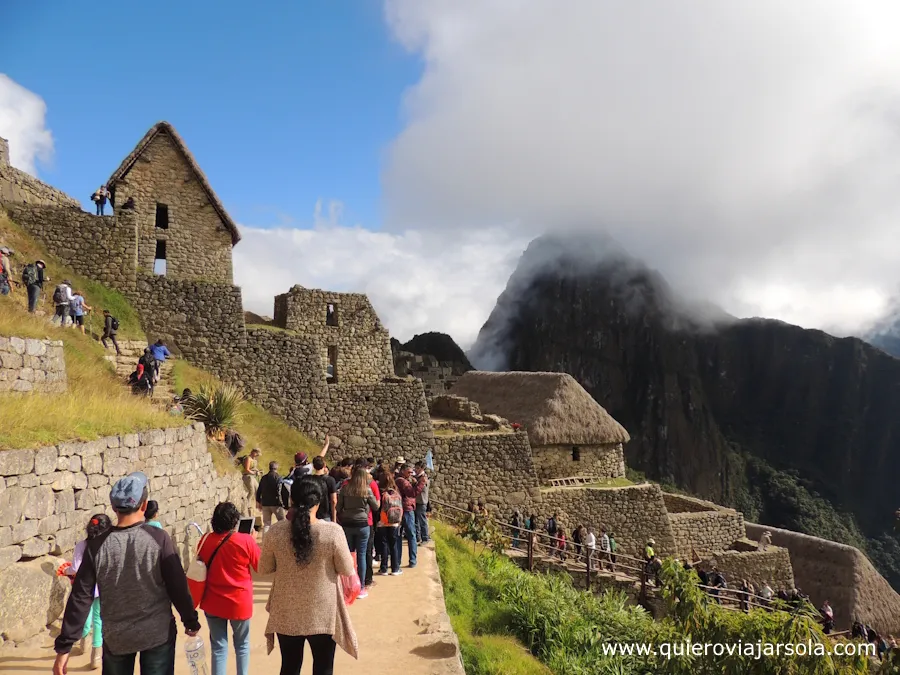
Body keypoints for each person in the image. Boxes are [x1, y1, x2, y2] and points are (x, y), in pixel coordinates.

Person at [53, 472, 200, 675]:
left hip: (116, 637)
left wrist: (64, 647)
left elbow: (81, 596)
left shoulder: (96, 546)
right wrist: (190, 620)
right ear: (144, 505)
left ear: (114, 507)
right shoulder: (159, 539)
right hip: (157, 633)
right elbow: (177, 585)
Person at [260, 476, 358, 674]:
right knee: (323, 667)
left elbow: (264, 568)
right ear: (319, 500)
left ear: (291, 500)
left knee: (289, 666)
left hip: (286, 609)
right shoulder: (332, 532)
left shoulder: (276, 532)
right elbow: (347, 569)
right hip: (323, 611)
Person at [198, 502, 261, 675]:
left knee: (218, 647)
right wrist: (253, 541)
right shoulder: (245, 540)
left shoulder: (205, 540)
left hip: (212, 601)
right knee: (242, 645)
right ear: (235, 521)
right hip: (238, 602)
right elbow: (260, 567)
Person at [63, 513, 113, 670]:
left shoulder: (81, 546)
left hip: (84, 588)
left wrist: (65, 570)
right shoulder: (110, 546)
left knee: (84, 615)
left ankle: (83, 641)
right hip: (103, 588)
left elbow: (75, 569)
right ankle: (96, 657)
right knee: (98, 619)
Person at [336, 466, 379, 598]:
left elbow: (338, 507)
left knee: (349, 555)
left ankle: (348, 586)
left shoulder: (345, 488)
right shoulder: (366, 489)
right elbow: (376, 507)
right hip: (362, 525)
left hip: (347, 524)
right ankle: (360, 588)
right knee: (362, 555)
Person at [395, 463, 426, 568]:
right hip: (407, 509)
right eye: (408, 472)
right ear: (403, 470)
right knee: (411, 535)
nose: (410, 474)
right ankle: (412, 560)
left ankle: (397, 562)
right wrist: (421, 483)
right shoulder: (402, 482)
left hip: (399, 509)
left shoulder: (397, 479)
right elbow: (412, 493)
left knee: (398, 536)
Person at [376, 471, 403, 575]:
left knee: (384, 545)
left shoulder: (381, 492)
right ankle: (395, 568)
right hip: (395, 522)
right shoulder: (396, 491)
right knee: (394, 545)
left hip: (383, 522)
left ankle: (383, 569)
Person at [256, 461, 286, 532]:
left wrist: (258, 501)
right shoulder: (278, 478)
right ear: (276, 468)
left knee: (267, 524)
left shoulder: (263, 478)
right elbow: (280, 491)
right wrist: (283, 503)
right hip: (276, 503)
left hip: (265, 503)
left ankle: (265, 541)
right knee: (281, 522)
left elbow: (259, 490)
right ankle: (280, 539)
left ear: (269, 467)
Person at [312, 456, 337, 521]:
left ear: (313, 466)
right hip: (325, 514)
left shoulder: (309, 479)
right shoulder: (330, 480)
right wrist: (334, 519)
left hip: (313, 514)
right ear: (324, 465)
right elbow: (333, 500)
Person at [240, 448, 263, 519]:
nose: (257, 456)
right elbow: (246, 470)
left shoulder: (254, 460)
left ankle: (257, 506)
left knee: (258, 490)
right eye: (256, 454)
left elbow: (254, 468)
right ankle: (246, 505)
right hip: (247, 476)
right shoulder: (248, 458)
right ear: (253, 452)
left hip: (253, 477)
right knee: (251, 491)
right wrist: (255, 472)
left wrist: (258, 471)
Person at [414, 460, 430, 544]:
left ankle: (425, 538)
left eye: (417, 468)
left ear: (421, 468)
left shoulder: (423, 478)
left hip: (421, 501)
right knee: (416, 520)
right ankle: (418, 536)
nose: (415, 470)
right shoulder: (417, 477)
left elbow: (420, 489)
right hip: (417, 501)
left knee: (422, 520)